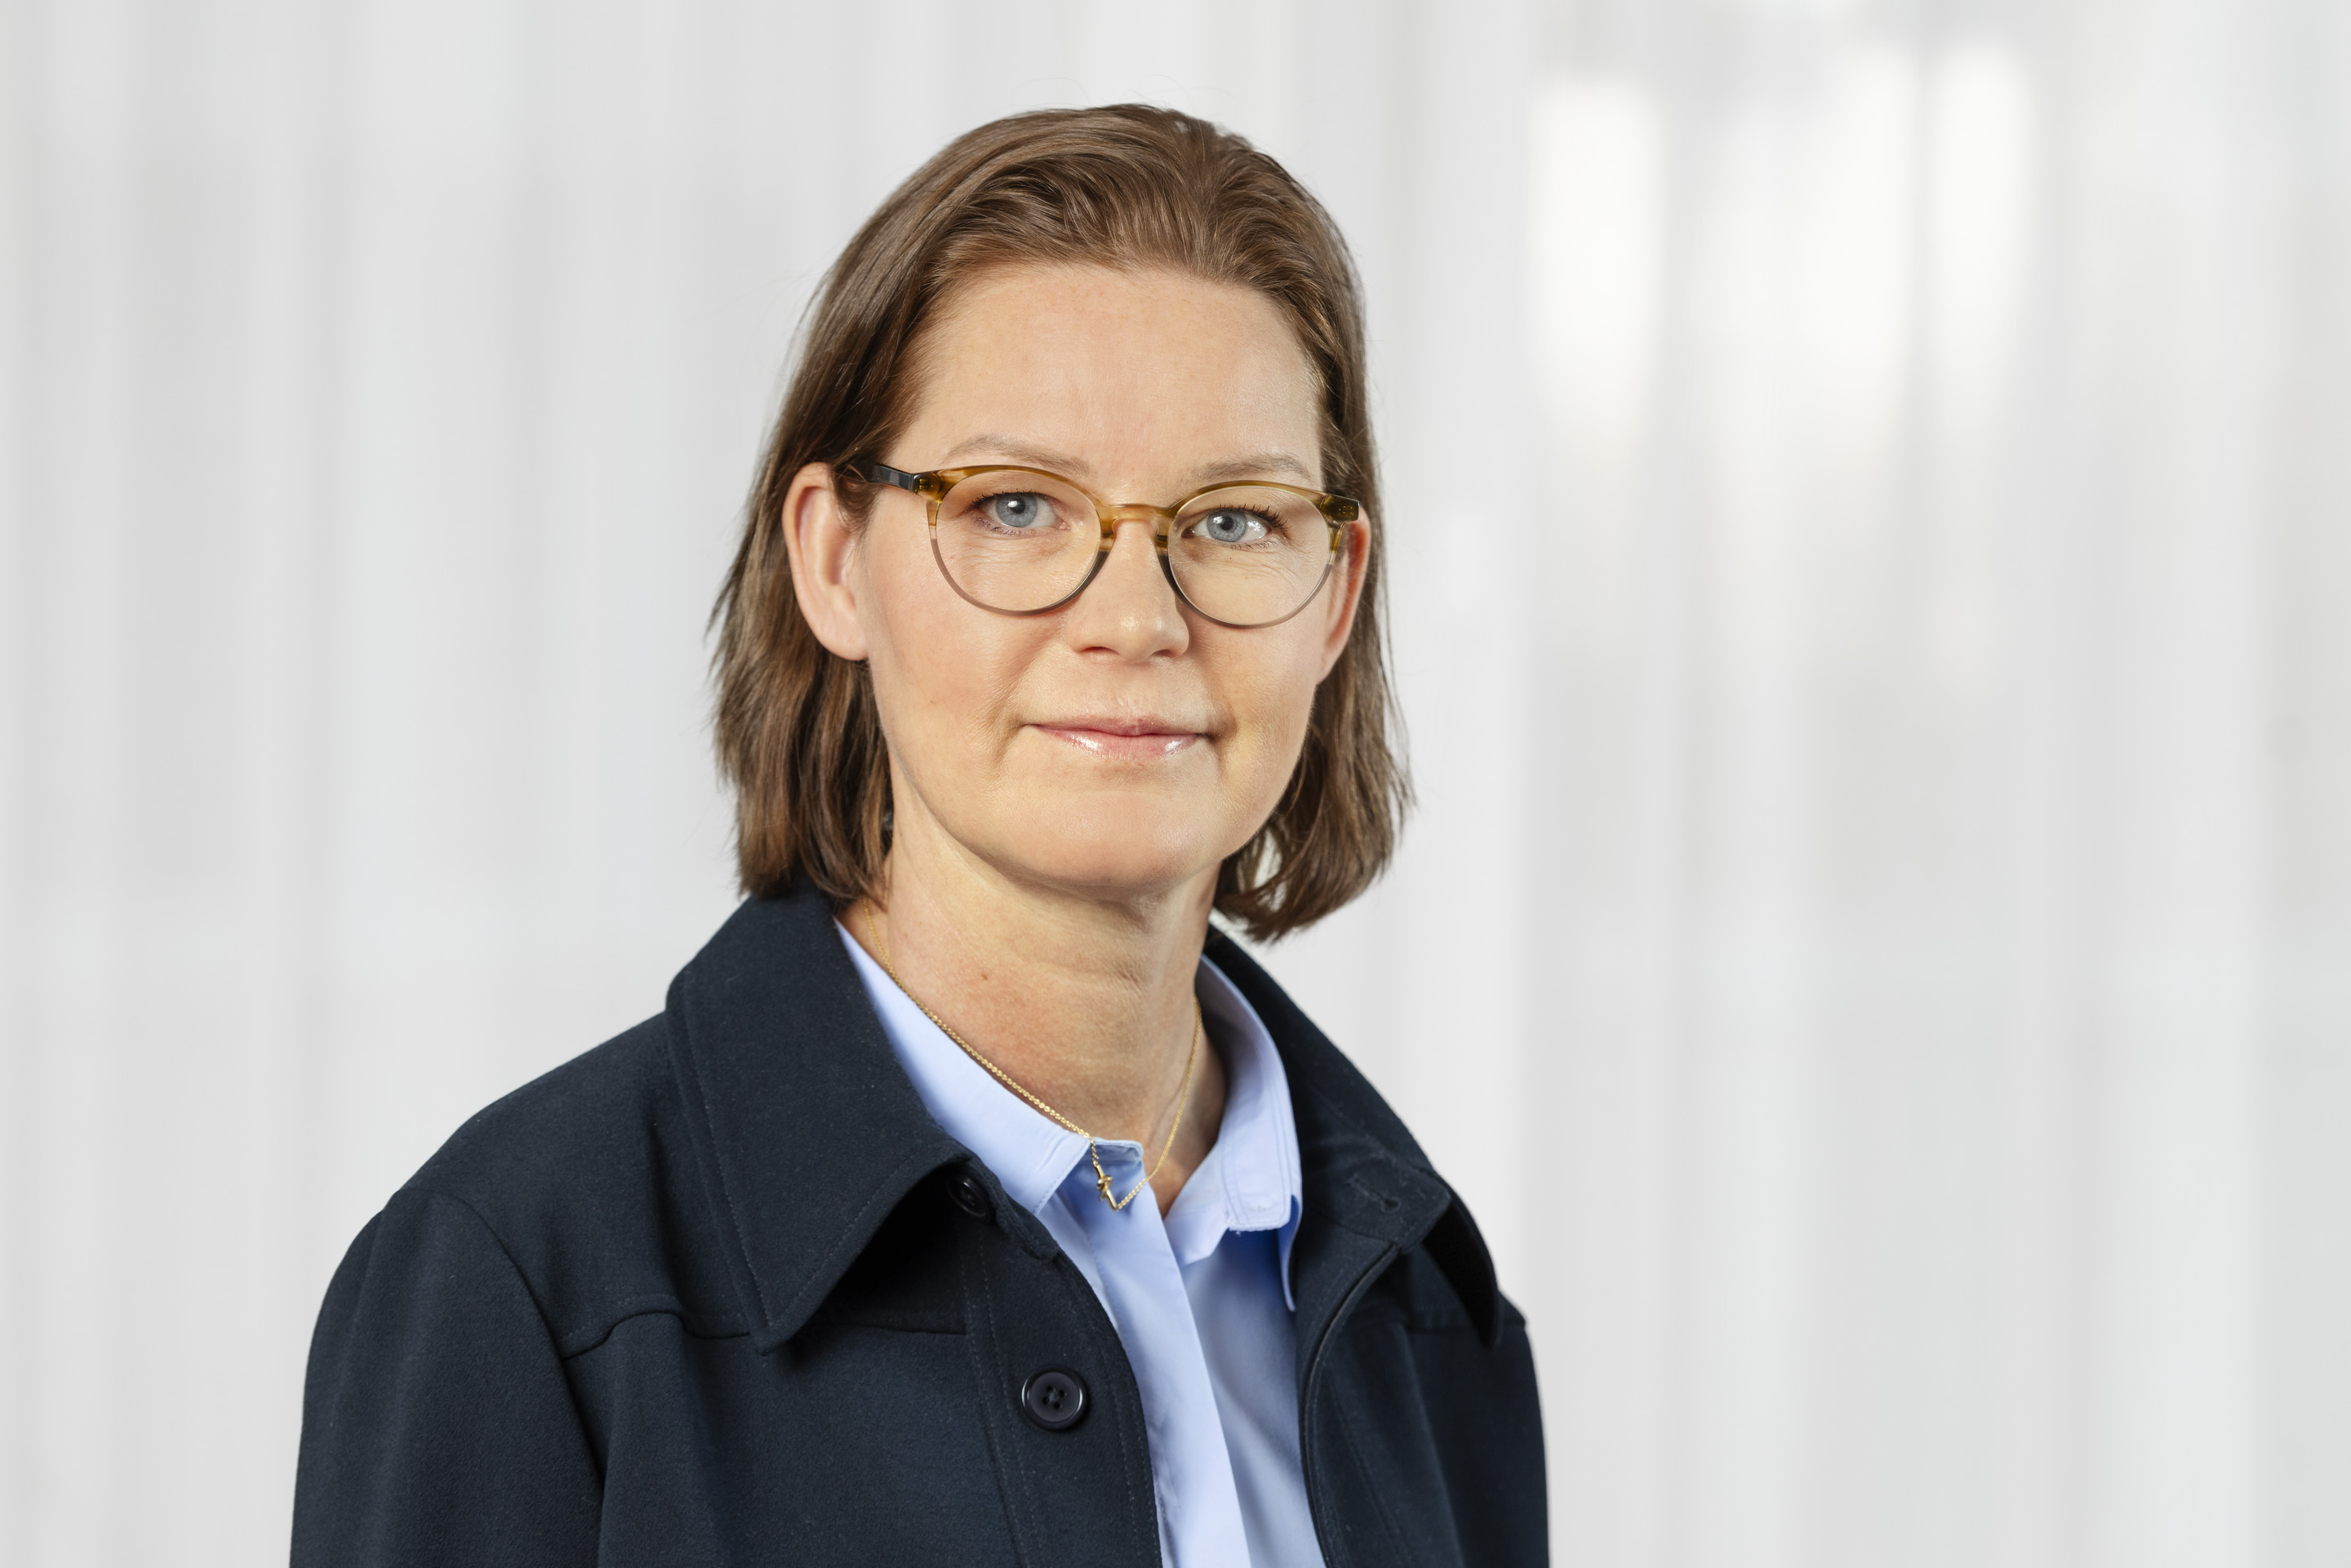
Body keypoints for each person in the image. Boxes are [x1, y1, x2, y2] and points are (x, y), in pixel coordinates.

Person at [291, 104, 1544, 1568]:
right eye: (1015, 505)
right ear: (833, 559)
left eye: (1233, 521)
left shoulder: (1431, 1319)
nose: (1136, 618)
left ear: (1336, 593)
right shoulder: (522, 1283)